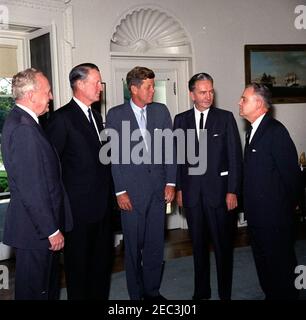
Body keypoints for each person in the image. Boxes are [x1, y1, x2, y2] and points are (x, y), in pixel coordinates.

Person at [1, 68, 73, 300]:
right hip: (36, 231)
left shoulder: (25, 122)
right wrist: (51, 230)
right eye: (48, 91)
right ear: (32, 95)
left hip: (35, 228)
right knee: (35, 291)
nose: (51, 97)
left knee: (45, 288)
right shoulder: (23, 128)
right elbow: (32, 188)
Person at [106, 66, 176, 300]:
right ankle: (135, 296)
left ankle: (152, 291)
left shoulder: (161, 111)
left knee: (156, 245)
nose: (153, 91)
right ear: (133, 88)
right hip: (131, 193)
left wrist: (171, 183)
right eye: (148, 86)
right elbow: (113, 157)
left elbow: (171, 150)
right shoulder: (115, 115)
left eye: (153, 85)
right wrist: (120, 191)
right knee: (133, 248)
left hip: (158, 191)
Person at [46, 63, 113, 300]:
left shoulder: (96, 116)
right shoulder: (61, 119)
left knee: (101, 270)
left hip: (102, 211)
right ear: (80, 84)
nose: (100, 88)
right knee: (79, 272)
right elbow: (52, 170)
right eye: (96, 82)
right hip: (77, 215)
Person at [174, 72, 242, 300]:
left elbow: (235, 158)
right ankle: (201, 292)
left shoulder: (225, 118)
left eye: (211, 91)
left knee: (223, 249)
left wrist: (232, 190)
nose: (208, 96)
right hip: (192, 196)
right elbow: (178, 158)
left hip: (220, 195)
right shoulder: (180, 120)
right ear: (192, 94)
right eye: (203, 92)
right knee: (199, 248)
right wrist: (180, 189)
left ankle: (225, 294)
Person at [239, 83, 301, 300]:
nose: (240, 102)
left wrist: (285, 211)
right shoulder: (252, 130)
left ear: (258, 103)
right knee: (264, 263)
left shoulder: (275, 132)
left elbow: (292, 176)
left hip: (275, 217)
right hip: (257, 215)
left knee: (281, 266)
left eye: (244, 98)